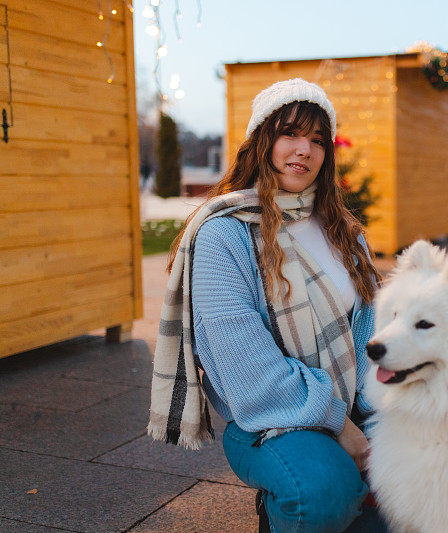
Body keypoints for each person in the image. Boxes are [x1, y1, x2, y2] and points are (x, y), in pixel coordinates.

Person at [147, 78, 387, 533]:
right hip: (273, 418)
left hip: (360, 404)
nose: (304, 150)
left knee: (424, 486)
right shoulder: (225, 234)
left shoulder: (344, 232)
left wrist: (383, 419)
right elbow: (248, 372)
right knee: (323, 492)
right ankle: (282, 512)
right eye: (290, 134)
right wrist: (343, 427)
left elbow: (376, 333)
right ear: (262, 140)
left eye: (318, 140)